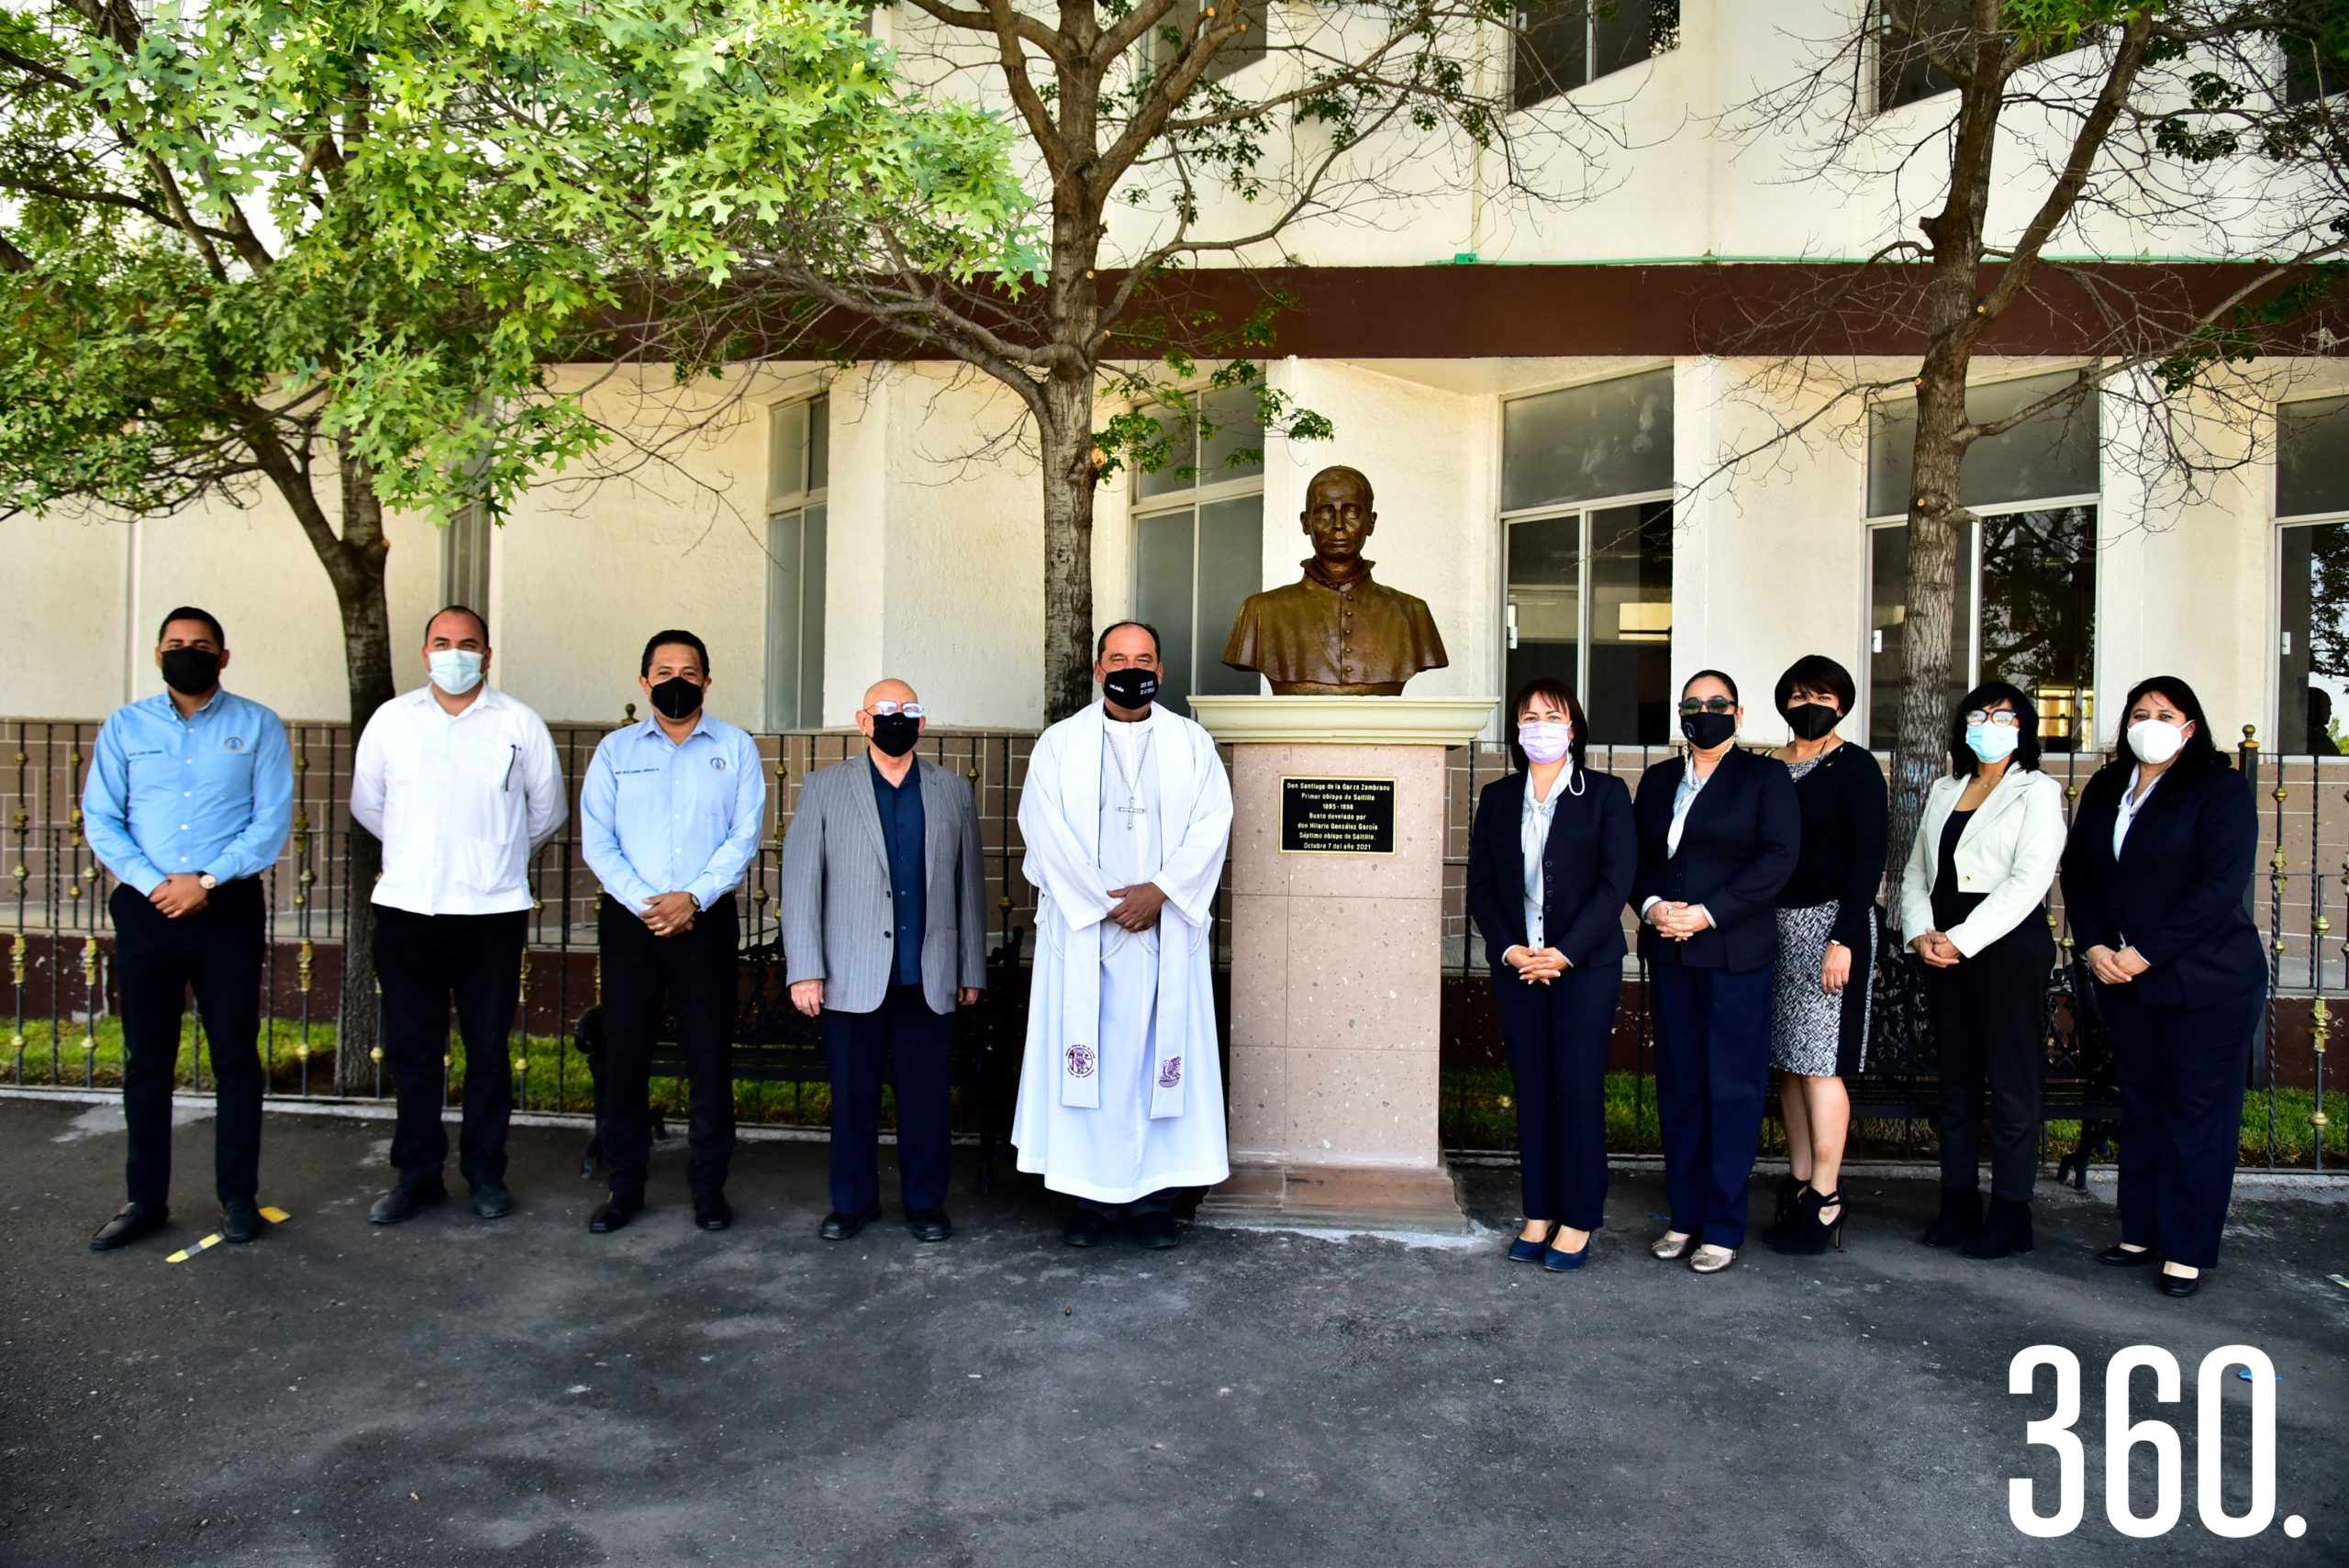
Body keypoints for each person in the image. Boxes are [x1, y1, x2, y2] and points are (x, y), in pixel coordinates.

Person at [1012, 622, 1235, 1248]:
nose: (1130, 668)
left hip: (1164, 933)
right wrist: (1105, 900)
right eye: (1118, 658)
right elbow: (1043, 827)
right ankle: (1089, 1200)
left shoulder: (1192, 744)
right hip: (1086, 937)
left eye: (1142, 659)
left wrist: (1159, 891)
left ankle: (1153, 1200)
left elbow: (1212, 825)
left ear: (1160, 671)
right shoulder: (1061, 744)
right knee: (1092, 1062)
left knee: (1154, 1062)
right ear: (1097, 668)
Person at [81, 608, 293, 1251]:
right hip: (148, 905)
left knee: (234, 1054)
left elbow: (270, 820)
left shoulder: (256, 725)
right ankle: (144, 1198)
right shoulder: (126, 726)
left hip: (225, 906)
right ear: (157, 654)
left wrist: (205, 880)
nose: (188, 653)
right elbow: (102, 816)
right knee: (147, 1059)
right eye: (176, 645)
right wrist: (157, 883)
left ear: (223, 657)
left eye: (200, 646)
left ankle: (237, 1197)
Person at [351, 606, 565, 1225]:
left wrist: (493, 855)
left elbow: (546, 811)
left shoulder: (518, 724)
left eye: (468, 643)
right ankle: (416, 1174)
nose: (455, 653)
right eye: (442, 642)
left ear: (487, 654)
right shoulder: (391, 722)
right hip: (408, 909)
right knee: (413, 1051)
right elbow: (371, 806)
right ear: (424, 654)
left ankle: (484, 1173)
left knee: (488, 1049)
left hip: (490, 911)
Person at [2060, 678, 2265, 1298]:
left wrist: (2145, 953)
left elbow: (2219, 886)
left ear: (2190, 726)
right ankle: (2141, 1228)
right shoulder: (2105, 786)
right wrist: (2094, 945)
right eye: (2140, 712)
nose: (2150, 721)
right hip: (2123, 974)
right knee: (2143, 1103)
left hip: (2204, 979)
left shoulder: (2219, 789)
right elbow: (2079, 870)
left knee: (2195, 1110)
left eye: (2165, 713)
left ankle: (2187, 1245)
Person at [781, 678, 987, 1243]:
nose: (898, 718)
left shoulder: (950, 791)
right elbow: (800, 884)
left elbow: (969, 883)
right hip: (850, 973)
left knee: (926, 1099)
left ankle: (925, 1204)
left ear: (922, 722)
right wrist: (805, 968)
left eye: (909, 710)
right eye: (885, 710)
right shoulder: (825, 787)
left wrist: (971, 967)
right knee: (852, 1099)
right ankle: (852, 1203)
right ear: (863, 720)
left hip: (929, 973)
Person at [579, 630, 765, 1234]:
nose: (676, 680)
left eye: (689, 670)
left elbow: (744, 835)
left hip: (705, 923)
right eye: (663, 671)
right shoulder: (615, 751)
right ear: (644, 681)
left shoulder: (735, 748)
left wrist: (695, 898)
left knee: (708, 1059)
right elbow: (598, 838)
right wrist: (647, 903)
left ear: (707, 681)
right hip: (632, 923)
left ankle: (709, 1188)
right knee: (625, 1055)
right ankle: (623, 1187)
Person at [1631, 671, 1799, 1274]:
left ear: (1738, 711)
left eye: (1715, 703)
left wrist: (1706, 914)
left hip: (1734, 956)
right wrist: (1653, 908)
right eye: (1693, 705)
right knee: (1681, 1089)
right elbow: (1635, 858)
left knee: (1731, 1090)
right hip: (1672, 953)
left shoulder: (1764, 777)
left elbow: (1777, 858)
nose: (1704, 712)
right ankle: (1685, 1214)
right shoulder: (1656, 781)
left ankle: (1723, 1225)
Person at [1465, 677, 1636, 1271]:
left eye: (1552, 714)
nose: (1540, 723)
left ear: (1573, 726)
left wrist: (1562, 951)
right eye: (1530, 714)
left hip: (1584, 966)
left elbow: (1616, 884)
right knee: (1533, 1090)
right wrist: (1513, 949)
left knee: (1580, 1089)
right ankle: (1538, 1211)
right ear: (1516, 728)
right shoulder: (1497, 796)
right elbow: (1482, 888)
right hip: (1518, 967)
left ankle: (1580, 1217)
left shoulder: (1607, 794)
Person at [1898, 682, 2067, 1260]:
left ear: (2023, 726)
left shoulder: (2037, 791)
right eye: (1979, 714)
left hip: (2005, 946)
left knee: (2012, 1082)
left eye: (2002, 715)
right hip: (1941, 945)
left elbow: (2028, 881)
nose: (1989, 723)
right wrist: (1922, 933)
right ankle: (1958, 1199)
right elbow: (1918, 871)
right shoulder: (1947, 788)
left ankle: (2011, 1211)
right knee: (1958, 1081)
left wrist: (1963, 941)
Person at [1763, 656, 1887, 1255]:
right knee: (1788, 1061)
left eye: (1823, 693)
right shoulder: (1767, 768)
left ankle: (1828, 1195)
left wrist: (1843, 938)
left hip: (1828, 926)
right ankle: (1800, 1178)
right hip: (1774, 928)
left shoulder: (1856, 767)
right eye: (1800, 691)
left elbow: (1869, 860)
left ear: (1843, 702)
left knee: (1819, 1061)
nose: (1809, 701)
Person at [1219, 465, 1449, 695]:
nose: (1338, 524)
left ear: (1370, 522)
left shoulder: (1411, 612)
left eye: (1351, 511)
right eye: (1324, 512)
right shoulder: (1260, 611)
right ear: (1305, 523)